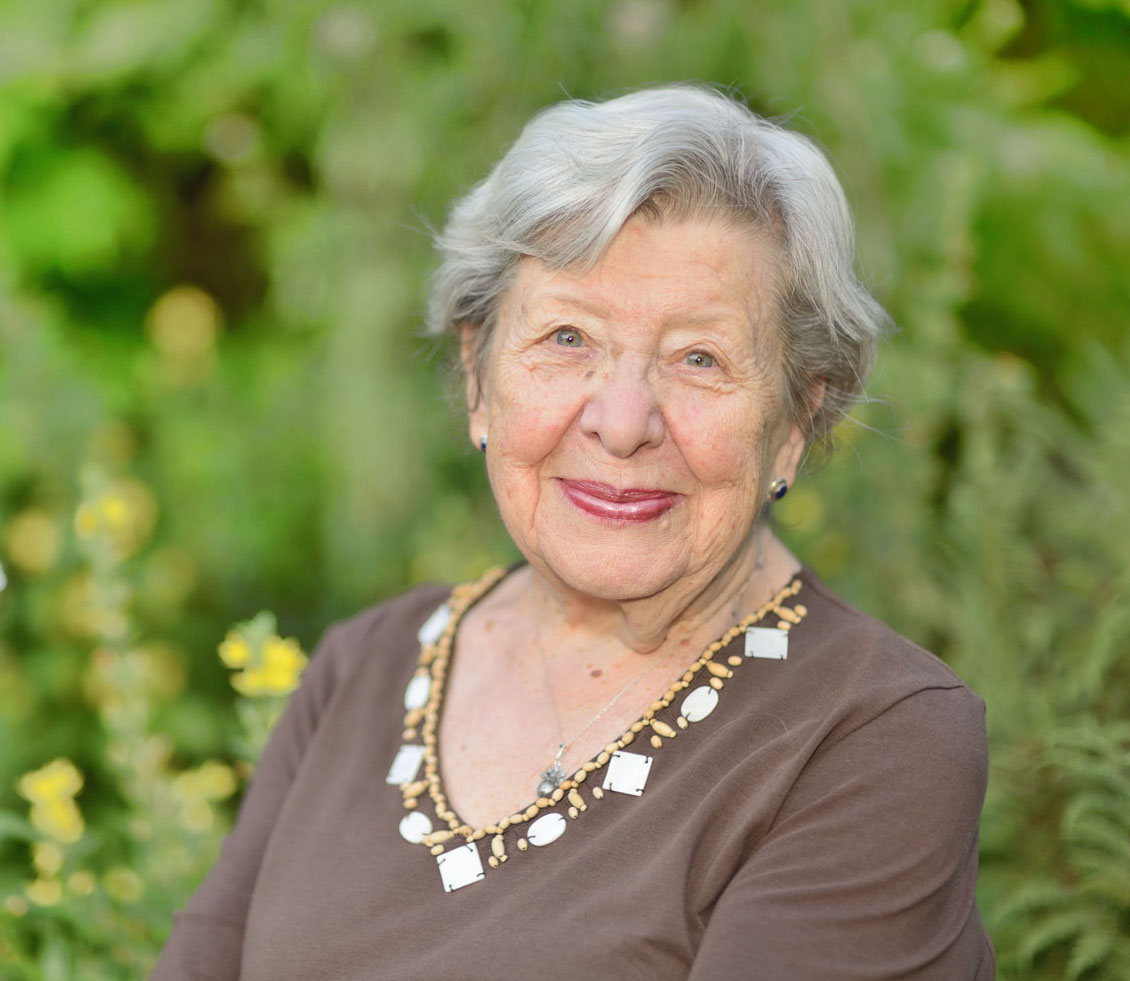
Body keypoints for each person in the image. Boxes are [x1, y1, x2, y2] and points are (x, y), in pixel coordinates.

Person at [154, 85, 995, 979]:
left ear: (795, 418)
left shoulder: (875, 737)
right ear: (479, 376)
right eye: (567, 337)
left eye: (698, 358)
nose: (623, 420)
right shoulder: (364, 667)